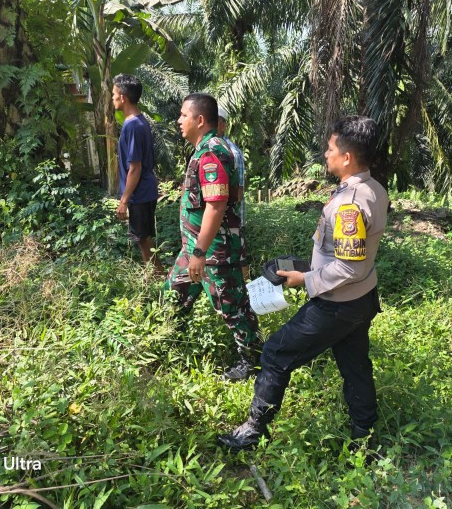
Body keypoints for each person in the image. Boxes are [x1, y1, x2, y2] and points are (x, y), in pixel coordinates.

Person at [217, 115, 389, 451]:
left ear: (347, 157)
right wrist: (306, 266)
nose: (326, 155)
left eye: (330, 149)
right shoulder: (374, 188)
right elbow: (349, 257)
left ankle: (252, 432)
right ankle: (364, 438)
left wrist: (304, 278)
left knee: (275, 353)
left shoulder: (349, 204)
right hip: (361, 298)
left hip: (337, 304)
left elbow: (348, 267)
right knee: (355, 366)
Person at [166, 93, 262, 381]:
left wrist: (200, 253)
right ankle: (165, 345)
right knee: (174, 296)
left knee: (233, 309)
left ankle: (254, 364)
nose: (178, 121)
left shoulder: (212, 153)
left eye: (184, 115)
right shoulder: (203, 150)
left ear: (199, 120)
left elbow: (217, 204)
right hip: (194, 249)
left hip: (213, 251)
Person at [113, 74, 160, 271]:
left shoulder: (132, 125)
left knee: (144, 241)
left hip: (140, 193)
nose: (112, 98)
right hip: (145, 190)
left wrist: (124, 200)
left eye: (114, 94)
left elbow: (135, 167)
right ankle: (154, 278)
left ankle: (159, 279)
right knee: (144, 239)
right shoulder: (139, 120)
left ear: (123, 97)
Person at [217, 107, 246, 227]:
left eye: (213, 123)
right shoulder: (206, 149)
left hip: (228, 227)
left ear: (223, 126)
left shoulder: (231, 153)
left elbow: (237, 195)